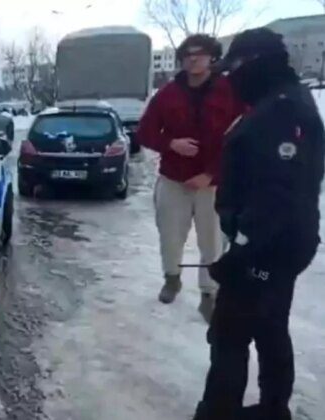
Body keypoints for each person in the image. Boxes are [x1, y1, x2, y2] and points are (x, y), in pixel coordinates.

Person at [194, 28, 324, 420]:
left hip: (269, 246)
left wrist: (244, 253)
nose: (231, 78)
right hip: (277, 242)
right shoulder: (281, 102)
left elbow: (278, 193)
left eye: (233, 68)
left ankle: (221, 412)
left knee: (230, 333)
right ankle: (272, 409)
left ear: (253, 64)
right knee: (269, 328)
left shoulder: (282, 110)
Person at [137, 34, 244, 322]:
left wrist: (211, 173)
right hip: (174, 180)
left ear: (212, 57)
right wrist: (170, 143)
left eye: (199, 54)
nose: (192, 59)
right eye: (187, 55)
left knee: (212, 242)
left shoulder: (230, 92)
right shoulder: (168, 94)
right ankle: (172, 278)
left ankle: (209, 294)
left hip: (213, 184)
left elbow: (241, 138)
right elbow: (144, 132)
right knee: (170, 236)